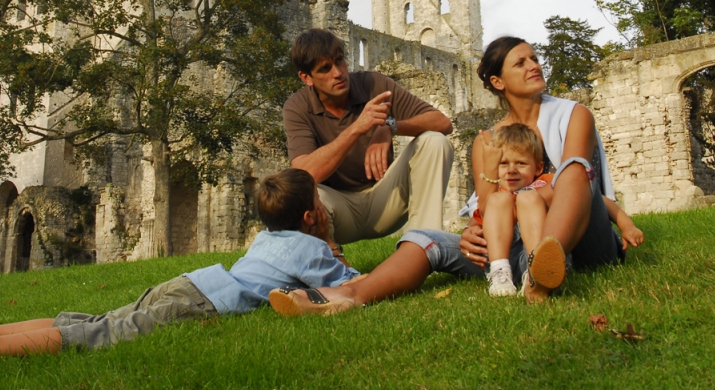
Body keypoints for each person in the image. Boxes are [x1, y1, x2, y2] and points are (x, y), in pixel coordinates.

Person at [268, 35, 641, 314]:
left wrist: (388, 126)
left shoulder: (575, 114)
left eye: (534, 58)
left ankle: (545, 266)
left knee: (574, 169)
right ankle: (348, 295)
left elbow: (581, 182)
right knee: (426, 241)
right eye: (521, 62)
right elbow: (487, 201)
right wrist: (474, 233)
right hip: (510, 249)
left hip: (579, 240)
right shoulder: (487, 140)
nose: (535, 66)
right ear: (498, 82)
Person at [0, 168, 357, 375]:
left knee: (100, 320)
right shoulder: (310, 249)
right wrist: (328, 240)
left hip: (193, 281)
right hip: (205, 303)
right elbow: (350, 283)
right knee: (104, 334)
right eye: (319, 206)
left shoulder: (265, 239)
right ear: (309, 215)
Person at [283, 28, 455, 246]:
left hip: (386, 199)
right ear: (306, 77)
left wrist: (390, 127)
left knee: (435, 141)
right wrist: (357, 129)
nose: (338, 73)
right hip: (337, 208)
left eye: (340, 61)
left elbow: (443, 123)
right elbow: (304, 173)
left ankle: (426, 249)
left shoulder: (374, 84)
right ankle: (330, 269)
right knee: (301, 194)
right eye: (325, 69)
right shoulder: (297, 107)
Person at [475, 123, 643, 297]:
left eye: (521, 163)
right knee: (497, 200)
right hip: (508, 258)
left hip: (543, 254)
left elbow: (599, 200)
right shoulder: (497, 194)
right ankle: (499, 273)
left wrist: (627, 225)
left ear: (538, 168)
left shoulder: (549, 182)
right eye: (503, 163)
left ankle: (537, 271)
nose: (511, 170)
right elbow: (483, 215)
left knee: (528, 197)